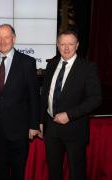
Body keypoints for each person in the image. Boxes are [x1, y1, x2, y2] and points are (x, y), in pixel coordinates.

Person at [39, 30, 102, 180]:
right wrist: (40, 121)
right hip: (51, 128)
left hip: (75, 128)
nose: (66, 48)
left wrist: (69, 115)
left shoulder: (87, 67)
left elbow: (96, 99)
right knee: (54, 172)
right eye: (62, 44)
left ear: (77, 45)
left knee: (76, 173)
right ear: (57, 45)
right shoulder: (51, 65)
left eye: (70, 44)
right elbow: (44, 95)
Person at [0, 24, 40, 180]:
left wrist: (34, 124)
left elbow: (34, 96)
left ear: (13, 39)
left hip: (20, 129)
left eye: (6, 37)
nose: (2, 41)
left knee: (18, 171)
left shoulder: (27, 62)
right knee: (0, 170)